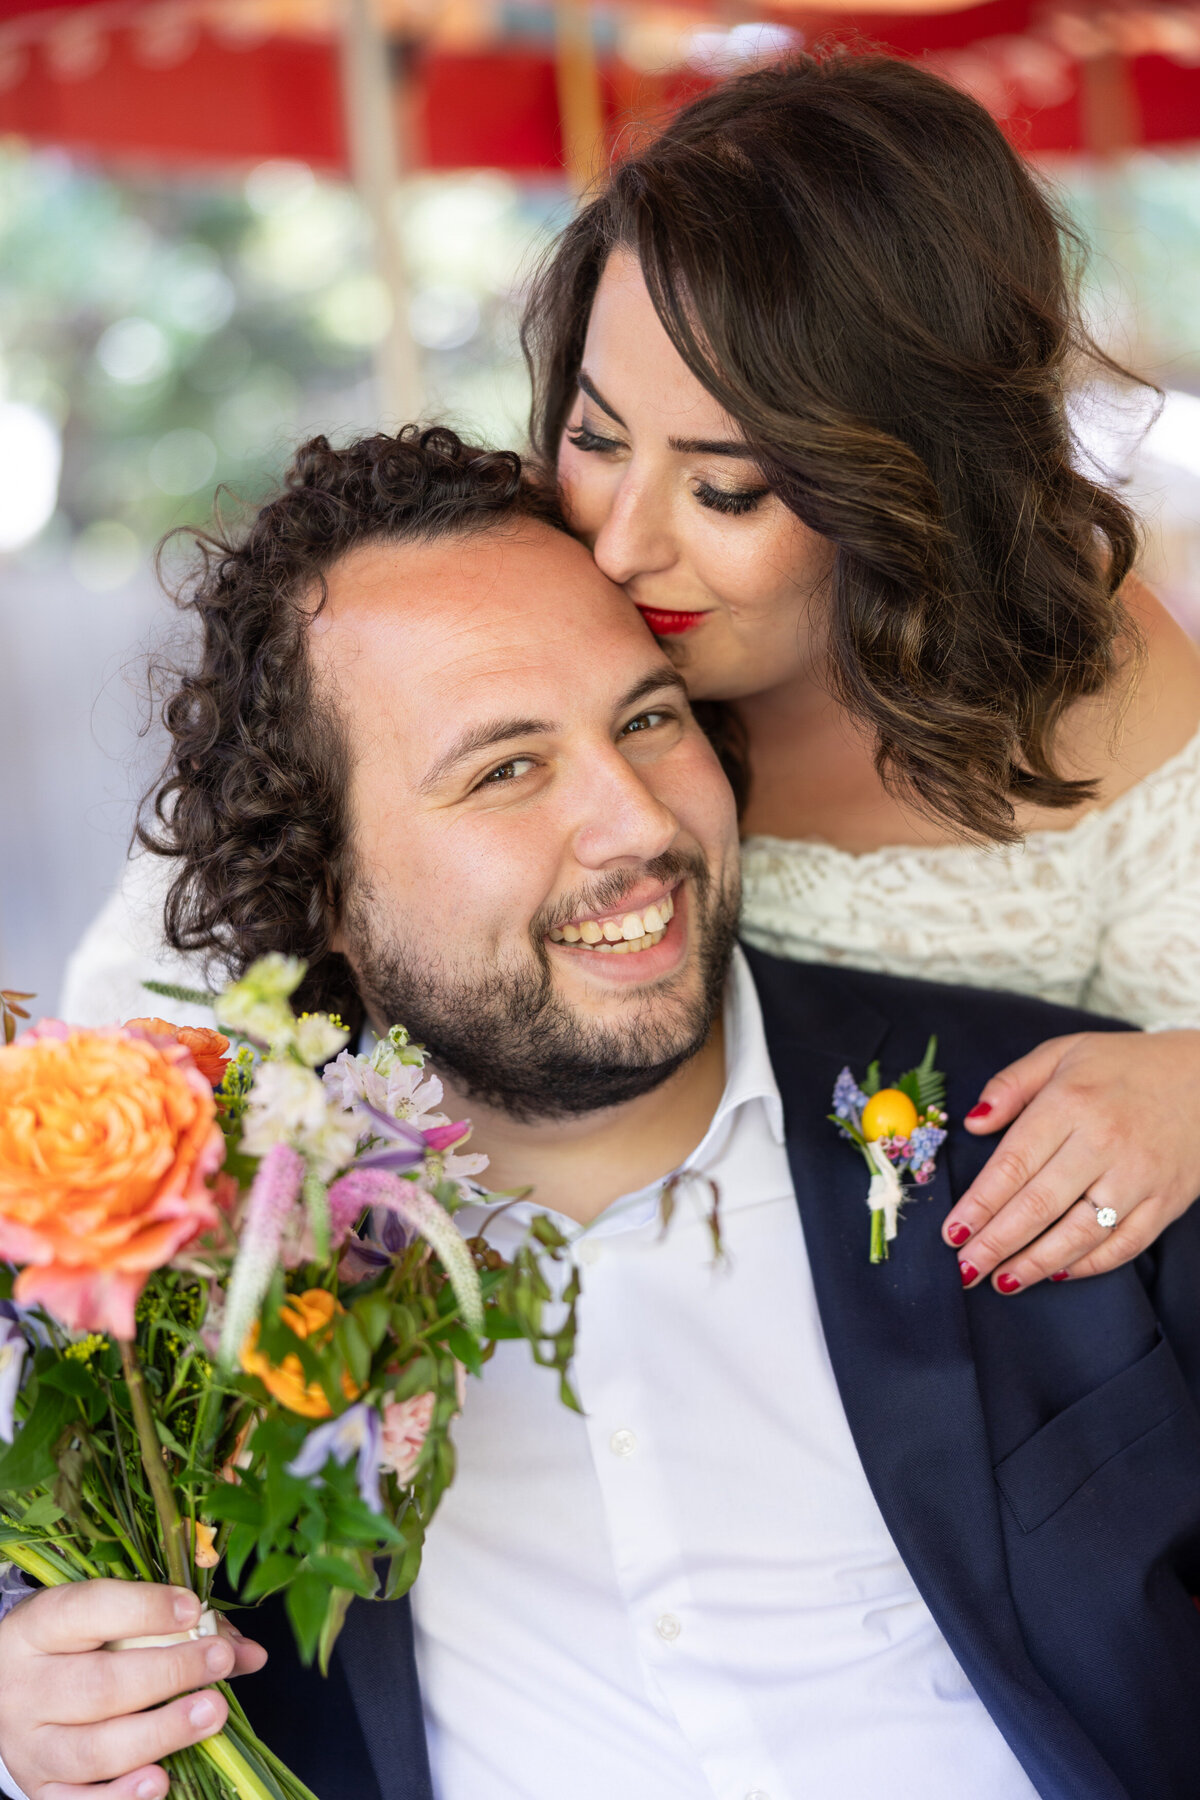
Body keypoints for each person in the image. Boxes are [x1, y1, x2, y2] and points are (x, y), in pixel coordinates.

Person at [8, 427, 1200, 1800]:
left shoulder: (1067, 1126)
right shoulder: (193, 1259)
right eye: (506, 769)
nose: (636, 823)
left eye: (648, 719)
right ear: (323, 880)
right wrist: (36, 1708)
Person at [520, 49, 1200, 1299]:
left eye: (727, 488)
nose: (619, 544)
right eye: (595, 435)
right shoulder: (507, 601)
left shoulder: (1097, 681)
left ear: (911, 482)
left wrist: (1190, 1089)